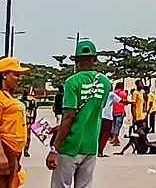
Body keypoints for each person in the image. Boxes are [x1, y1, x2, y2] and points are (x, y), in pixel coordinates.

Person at [48, 40, 112, 188]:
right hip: (90, 144)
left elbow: (69, 116)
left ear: (75, 60)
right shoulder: (105, 82)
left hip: (70, 144)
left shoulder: (72, 82)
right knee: (85, 185)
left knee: (61, 185)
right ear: (95, 59)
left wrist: (55, 148)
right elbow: (93, 111)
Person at [0, 57, 30, 188]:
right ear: (4, 75)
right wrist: (0, 155)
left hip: (14, 149)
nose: (19, 78)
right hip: (5, 146)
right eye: (16, 75)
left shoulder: (9, 96)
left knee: (12, 183)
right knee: (2, 184)